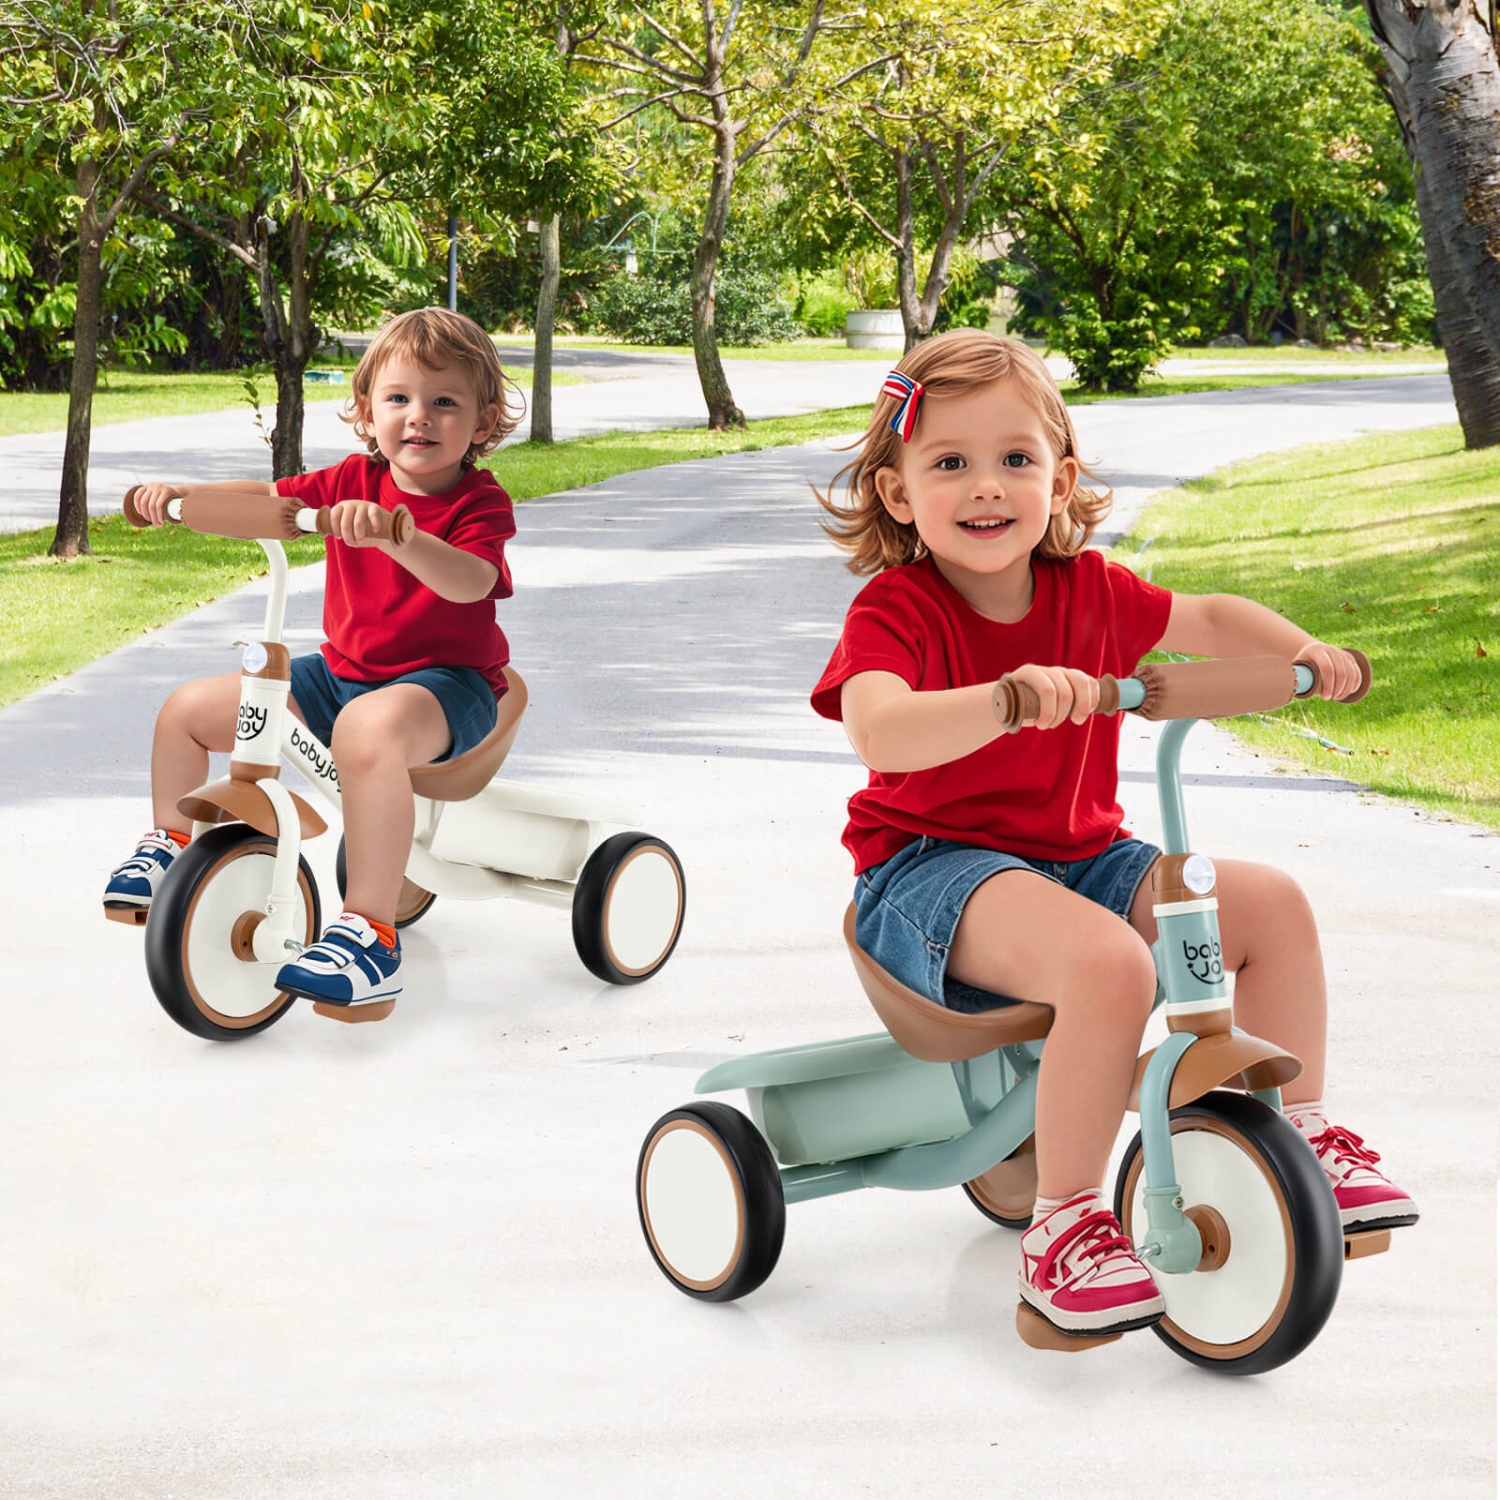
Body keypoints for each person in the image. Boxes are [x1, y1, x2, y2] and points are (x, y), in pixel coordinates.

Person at [810, 330, 1417, 1342]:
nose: (986, 486)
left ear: (1061, 479)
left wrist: (1302, 652)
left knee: (1268, 903)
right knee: (1107, 964)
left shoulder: (1089, 593)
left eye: (1016, 458)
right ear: (899, 492)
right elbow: (880, 725)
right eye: (949, 462)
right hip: (927, 876)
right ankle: (1066, 1227)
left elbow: (1210, 616)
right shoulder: (897, 609)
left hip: (1081, 858)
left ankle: (1305, 1131)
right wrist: (1003, 701)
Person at [103, 308, 523, 1017]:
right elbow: (265, 501)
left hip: (450, 687)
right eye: (398, 399)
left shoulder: (479, 502)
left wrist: (398, 537)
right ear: (367, 412)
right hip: (342, 674)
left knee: (365, 730)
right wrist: (180, 499)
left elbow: (471, 581)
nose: (418, 418)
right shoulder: (351, 481)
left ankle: (370, 933)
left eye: (444, 402)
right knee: (188, 712)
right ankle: (170, 844)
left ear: (481, 424)